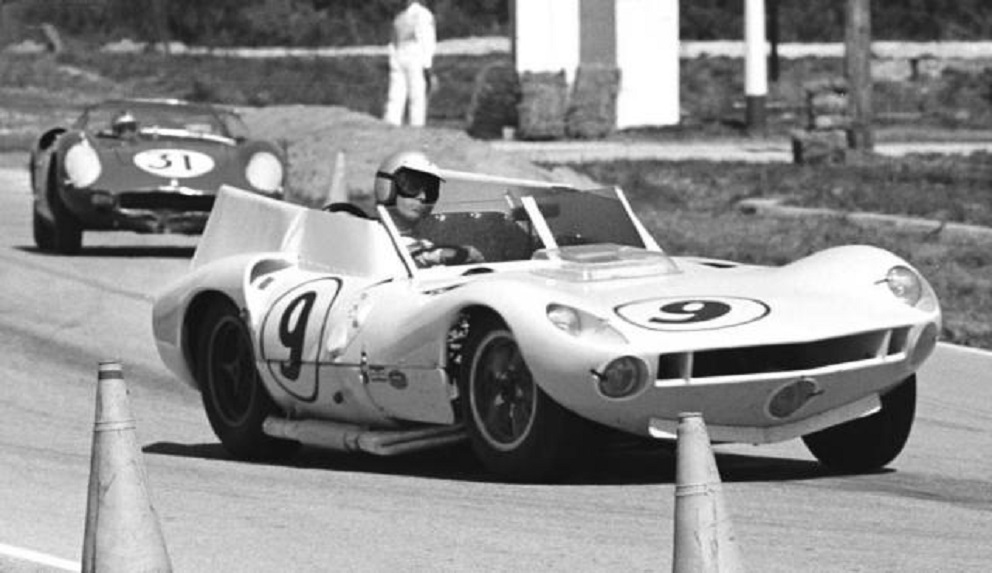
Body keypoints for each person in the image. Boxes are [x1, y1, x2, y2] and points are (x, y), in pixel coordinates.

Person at [373, 150, 483, 267]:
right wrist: (441, 255)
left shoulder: (423, 243)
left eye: (431, 190)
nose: (423, 197)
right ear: (387, 186)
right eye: (412, 186)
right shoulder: (371, 240)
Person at [382, 0, 437, 127]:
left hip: (399, 53)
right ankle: (417, 124)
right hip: (415, 54)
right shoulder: (424, 15)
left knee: (396, 91)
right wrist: (428, 65)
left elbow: (393, 41)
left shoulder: (400, 17)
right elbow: (427, 40)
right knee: (417, 93)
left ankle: (392, 121)